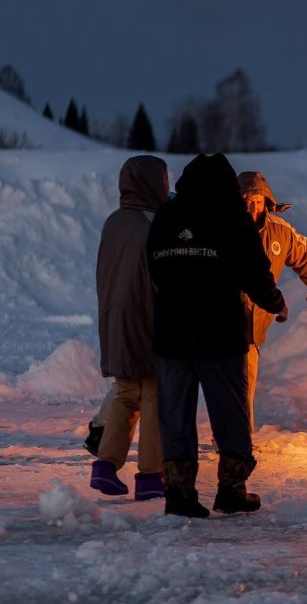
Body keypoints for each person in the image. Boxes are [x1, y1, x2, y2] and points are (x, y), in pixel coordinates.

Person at [148, 153, 287, 518]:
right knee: (230, 412)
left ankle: (179, 493)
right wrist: (274, 301)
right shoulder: (232, 218)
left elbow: (154, 269)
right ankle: (231, 489)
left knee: (175, 413)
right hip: (219, 333)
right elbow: (255, 273)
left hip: (172, 332)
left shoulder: (166, 216)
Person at [89, 155, 169, 500]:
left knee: (125, 393)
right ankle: (151, 476)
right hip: (146, 319)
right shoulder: (152, 223)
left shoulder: (113, 222)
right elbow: (158, 278)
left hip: (114, 319)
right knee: (153, 393)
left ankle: (105, 466)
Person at [237, 171, 307, 433]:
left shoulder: (279, 231)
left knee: (245, 380)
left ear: (266, 201)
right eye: (244, 199)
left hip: (256, 321)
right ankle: (236, 440)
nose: (250, 206)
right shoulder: (223, 227)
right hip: (223, 318)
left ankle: (236, 439)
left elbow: (304, 257)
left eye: (256, 200)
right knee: (234, 380)